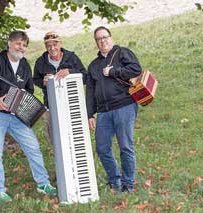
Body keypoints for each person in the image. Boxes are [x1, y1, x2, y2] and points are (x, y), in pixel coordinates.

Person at [0, 30, 57, 202]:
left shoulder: (25, 64)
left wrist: (24, 103)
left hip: (16, 116)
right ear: (9, 43)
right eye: (18, 43)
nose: (21, 47)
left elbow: (29, 89)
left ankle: (43, 184)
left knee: (33, 147)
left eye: (24, 45)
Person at [86, 26, 142, 194]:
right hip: (103, 112)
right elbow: (90, 91)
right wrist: (90, 114)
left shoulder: (122, 52)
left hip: (124, 106)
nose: (103, 41)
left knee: (125, 146)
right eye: (99, 39)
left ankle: (128, 184)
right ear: (96, 42)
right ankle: (115, 181)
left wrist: (113, 71)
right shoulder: (93, 65)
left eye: (105, 37)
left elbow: (136, 69)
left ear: (110, 37)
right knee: (102, 148)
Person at [33, 32, 87, 142]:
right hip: (50, 105)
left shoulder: (71, 58)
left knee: (74, 136)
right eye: (49, 45)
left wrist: (70, 71)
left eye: (55, 44)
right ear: (46, 47)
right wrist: (43, 82)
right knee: (55, 139)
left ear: (60, 44)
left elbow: (85, 76)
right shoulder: (40, 62)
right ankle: (58, 158)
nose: (52, 48)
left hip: (71, 104)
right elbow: (35, 80)